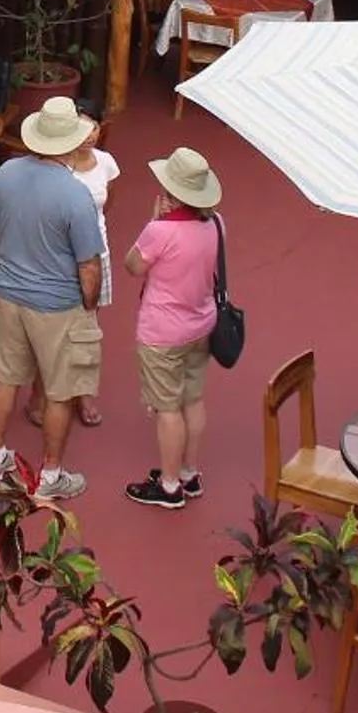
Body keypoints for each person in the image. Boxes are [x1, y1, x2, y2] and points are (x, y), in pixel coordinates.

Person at [0, 96, 106, 502]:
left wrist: (6, 266)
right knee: (60, 391)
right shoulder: (75, 194)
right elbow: (89, 264)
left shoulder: (5, 174)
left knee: (5, 378)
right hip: (58, 304)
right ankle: (50, 474)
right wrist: (89, 303)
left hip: (10, 295)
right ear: (71, 139)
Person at [121, 146, 227, 510]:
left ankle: (168, 487)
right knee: (192, 399)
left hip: (163, 331)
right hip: (202, 323)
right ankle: (187, 472)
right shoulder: (216, 223)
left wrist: (153, 221)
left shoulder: (160, 230)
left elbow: (133, 265)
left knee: (167, 407)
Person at [26, 121, 118, 430]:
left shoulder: (107, 163)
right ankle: (39, 393)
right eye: (83, 127)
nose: (89, 135)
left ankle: (84, 394)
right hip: (58, 255)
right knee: (50, 327)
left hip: (95, 252)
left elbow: (106, 205)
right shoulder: (56, 165)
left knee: (87, 327)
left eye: (94, 127)